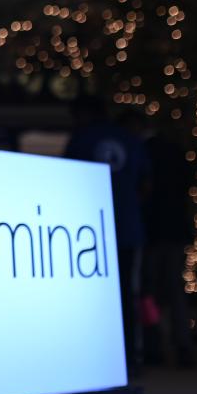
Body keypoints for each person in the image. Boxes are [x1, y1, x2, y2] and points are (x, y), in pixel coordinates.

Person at [65, 96, 148, 372]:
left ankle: (98, 359)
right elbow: (146, 183)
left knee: (92, 297)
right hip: (127, 228)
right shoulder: (129, 140)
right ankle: (130, 358)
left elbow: (68, 179)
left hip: (89, 232)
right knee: (126, 294)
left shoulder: (82, 139)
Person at [141, 128, 195, 367]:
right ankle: (181, 346)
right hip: (174, 230)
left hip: (153, 232)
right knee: (174, 289)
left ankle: (155, 345)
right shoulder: (175, 153)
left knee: (152, 290)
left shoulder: (146, 152)